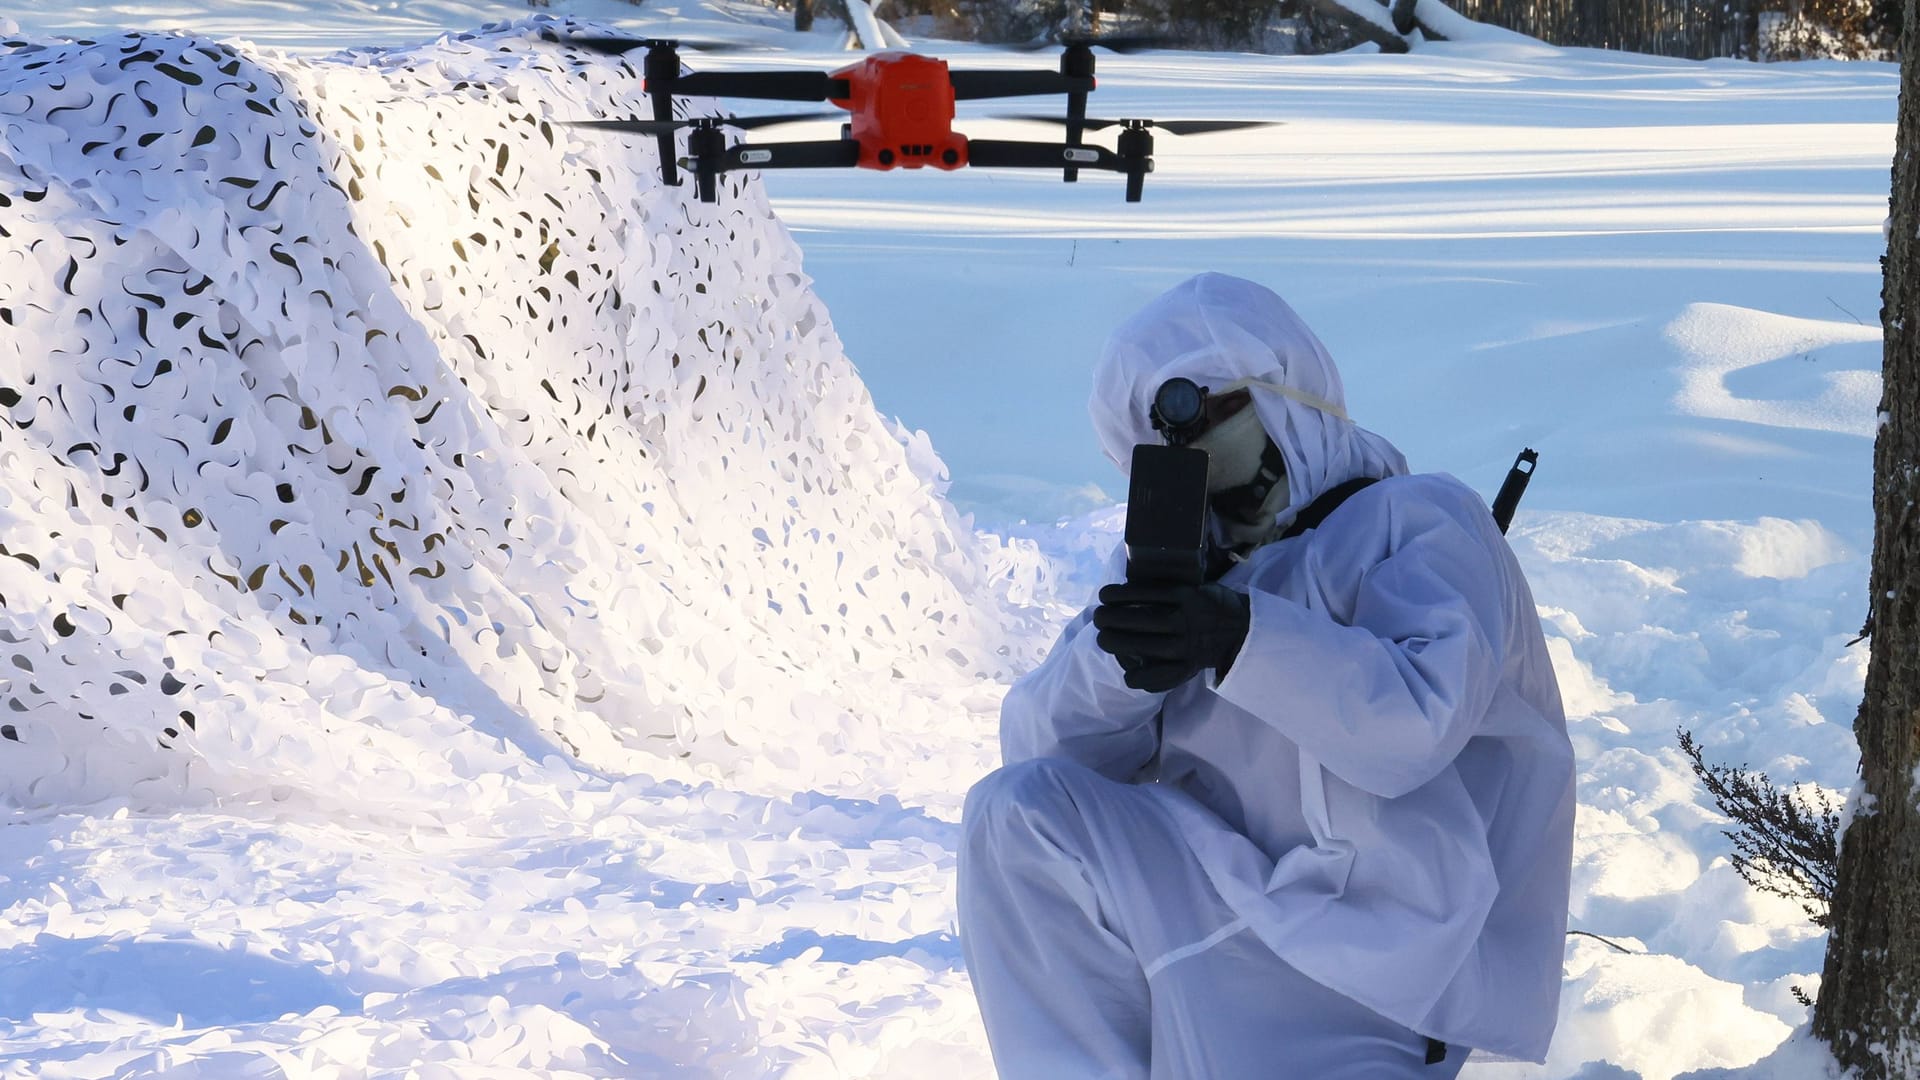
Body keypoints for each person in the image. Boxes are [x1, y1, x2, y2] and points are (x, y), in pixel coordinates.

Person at [957, 273, 1577, 1079]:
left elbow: (1413, 728)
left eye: (1213, 414)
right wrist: (1122, 660)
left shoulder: (1420, 522)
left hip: (1385, 979)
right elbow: (1042, 758)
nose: (1204, 459)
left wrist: (1239, 638)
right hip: (1221, 938)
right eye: (1167, 449)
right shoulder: (1189, 572)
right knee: (1015, 815)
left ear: (1285, 388)